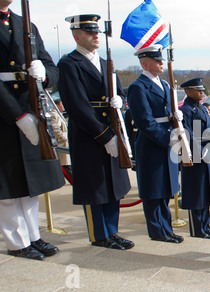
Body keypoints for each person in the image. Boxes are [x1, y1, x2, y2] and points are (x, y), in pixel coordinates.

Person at [57, 14, 134, 250]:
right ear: (76, 35)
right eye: (90, 32)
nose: (96, 35)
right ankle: (99, 234)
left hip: (111, 128)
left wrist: (119, 101)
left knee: (112, 185)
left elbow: (119, 93)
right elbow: (77, 106)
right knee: (95, 186)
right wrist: (103, 136)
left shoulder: (104, 63)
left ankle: (112, 231)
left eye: (97, 32)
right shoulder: (69, 64)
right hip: (88, 134)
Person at [0, 0, 65, 260]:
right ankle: (17, 242)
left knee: (29, 183)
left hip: (30, 106)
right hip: (6, 112)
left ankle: (32, 237)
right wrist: (16, 115)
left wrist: (45, 75)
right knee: (8, 186)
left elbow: (51, 66)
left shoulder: (25, 24)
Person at [126, 45, 184, 244]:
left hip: (167, 140)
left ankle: (166, 228)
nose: (161, 63)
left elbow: (168, 111)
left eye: (161, 60)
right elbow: (144, 121)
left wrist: (176, 118)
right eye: (157, 60)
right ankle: (158, 231)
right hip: (153, 143)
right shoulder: (138, 87)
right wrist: (167, 138)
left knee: (165, 189)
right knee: (153, 191)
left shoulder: (166, 85)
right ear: (145, 63)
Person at [179, 77, 210, 239]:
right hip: (195, 156)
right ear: (188, 92)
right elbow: (187, 134)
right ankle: (198, 230)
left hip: (206, 153)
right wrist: (203, 152)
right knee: (196, 195)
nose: (202, 92)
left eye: (202, 90)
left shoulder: (201, 108)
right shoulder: (186, 110)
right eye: (198, 90)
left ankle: (206, 226)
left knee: (206, 193)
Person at [50, 99, 72, 179]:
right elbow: (55, 128)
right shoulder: (54, 114)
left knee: (68, 165)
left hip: (66, 141)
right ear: (58, 105)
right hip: (62, 142)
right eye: (62, 104)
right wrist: (62, 137)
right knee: (67, 166)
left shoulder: (59, 114)